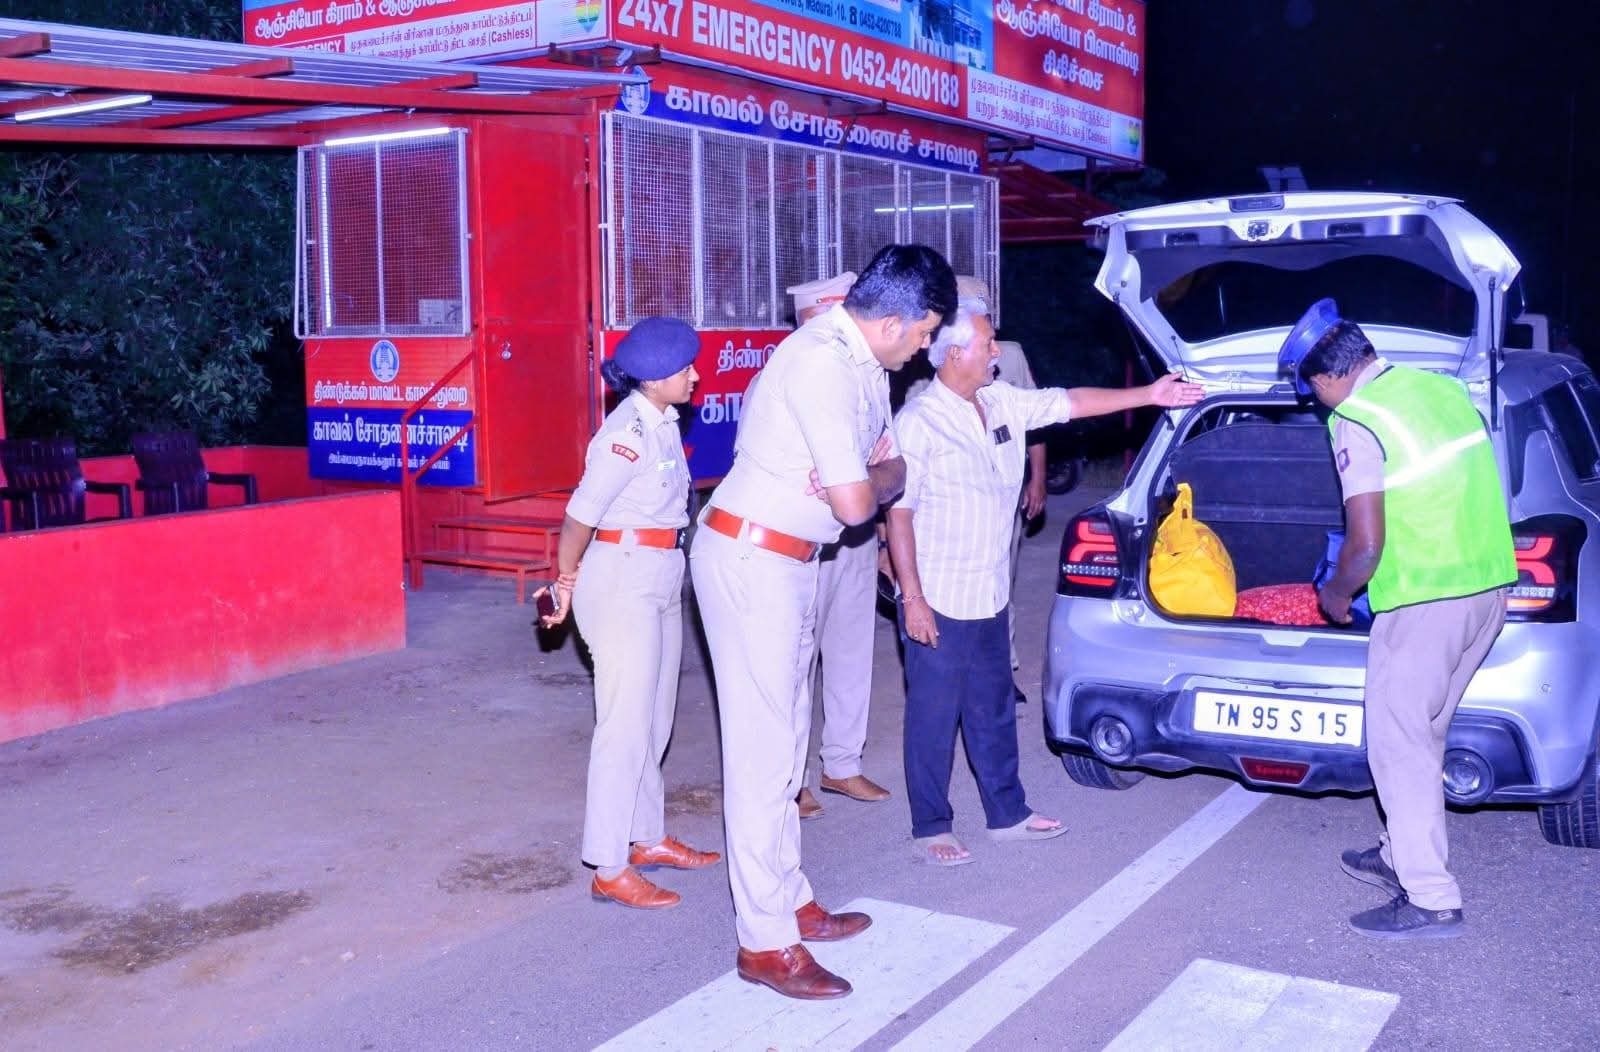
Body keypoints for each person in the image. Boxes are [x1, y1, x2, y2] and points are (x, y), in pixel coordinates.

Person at [691, 245, 956, 999]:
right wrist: (871, 479)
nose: (924, 350)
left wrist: (872, 477)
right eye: (924, 333)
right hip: (752, 560)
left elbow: (891, 471)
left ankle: (790, 898)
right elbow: (857, 503)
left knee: (786, 743)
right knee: (762, 755)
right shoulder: (820, 363)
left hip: (794, 561)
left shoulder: (866, 366)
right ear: (895, 320)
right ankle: (764, 942)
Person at [887, 297, 1201, 866]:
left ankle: (1007, 813)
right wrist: (913, 599)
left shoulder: (1000, 401)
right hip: (938, 596)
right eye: (987, 343)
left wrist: (1150, 395)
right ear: (954, 354)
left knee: (992, 707)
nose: (996, 352)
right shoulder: (919, 422)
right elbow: (899, 516)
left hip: (989, 592)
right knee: (933, 716)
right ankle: (931, 826)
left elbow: (1072, 401)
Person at [1281, 299, 1516, 940]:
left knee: (1397, 743)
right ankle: (1398, 853)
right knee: (1424, 732)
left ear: (1329, 377)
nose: (1317, 402)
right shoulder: (1441, 390)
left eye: (1312, 389)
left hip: (1424, 601)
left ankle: (1431, 897)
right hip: (1486, 589)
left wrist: (1335, 594)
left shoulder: (1357, 418)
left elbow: (1365, 545)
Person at [543, 317, 721, 910]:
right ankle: (609, 865)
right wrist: (565, 581)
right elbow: (579, 518)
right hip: (621, 578)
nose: (696, 377)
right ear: (654, 378)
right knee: (622, 727)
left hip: (661, 572)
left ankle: (645, 836)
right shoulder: (626, 435)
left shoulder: (663, 421)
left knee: (655, 719)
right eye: (685, 369)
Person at [785, 272, 893, 823]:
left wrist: (883, 534)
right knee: (796, 662)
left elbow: (888, 458)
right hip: (807, 538)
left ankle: (842, 763)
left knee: (852, 650)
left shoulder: (870, 380)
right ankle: (793, 780)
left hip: (856, 534)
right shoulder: (792, 372)